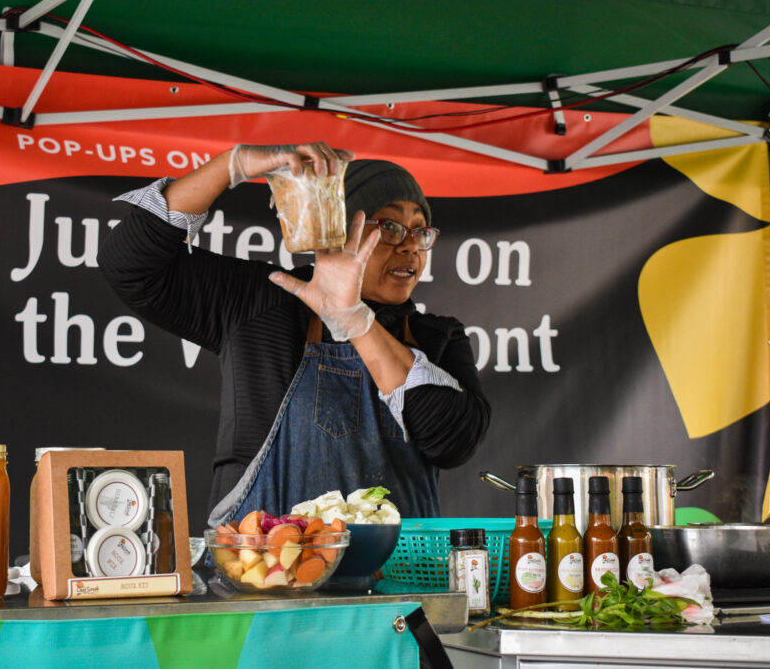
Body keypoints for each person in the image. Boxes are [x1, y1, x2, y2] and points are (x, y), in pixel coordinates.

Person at [99, 143, 490, 526]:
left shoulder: (438, 336)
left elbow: (452, 441)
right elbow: (131, 266)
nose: (411, 248)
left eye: (420, 232)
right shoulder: (264, 302)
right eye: (389, 226)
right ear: (341, 225)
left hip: (399, 577)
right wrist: (229, 166)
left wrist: (355, 320)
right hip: (263, 570)